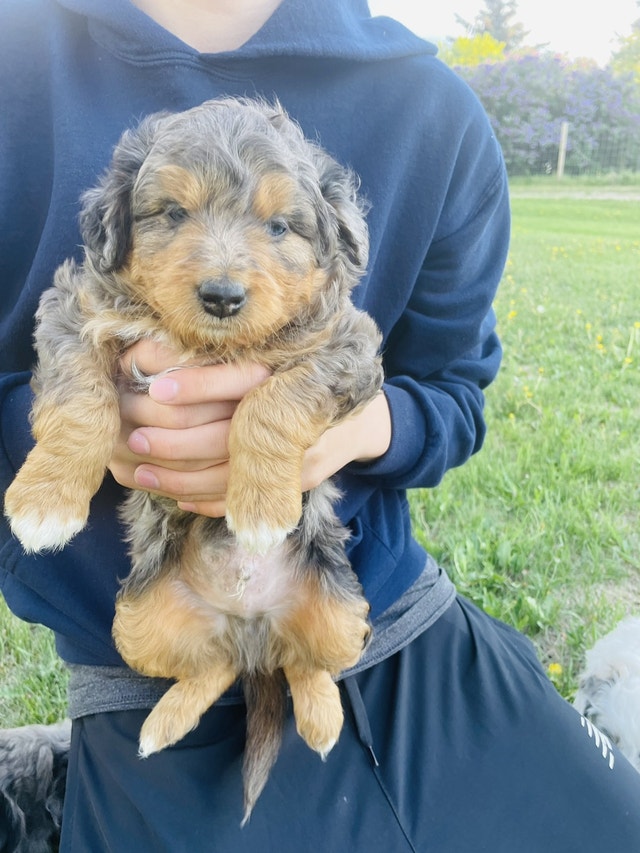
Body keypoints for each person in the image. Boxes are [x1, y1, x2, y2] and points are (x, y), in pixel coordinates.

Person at [1, 1, 639, 850]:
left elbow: (454, 392)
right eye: (174, 216)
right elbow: (66, 329)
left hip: (371, 605)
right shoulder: (16, 62)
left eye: (277, 223)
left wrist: (358, 426)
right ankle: (61, 783)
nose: (224, 269)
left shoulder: (431, 110)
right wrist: (80, 431)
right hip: (148, 642)